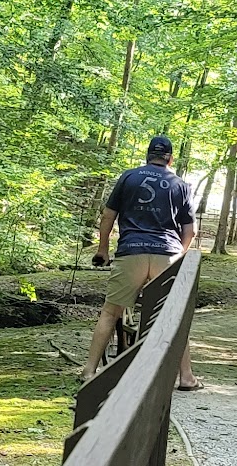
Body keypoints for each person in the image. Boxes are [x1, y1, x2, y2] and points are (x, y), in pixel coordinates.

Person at [83, 134, 204, 388]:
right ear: (170, 158)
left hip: (132, 251)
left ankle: (89, 372)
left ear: (148, 156)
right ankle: (186, 377)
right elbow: (190, 231)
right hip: (166, 254)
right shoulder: (180, 184)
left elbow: (107, 217)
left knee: (110, 311)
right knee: (173, 318)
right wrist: (178, 258)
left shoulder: (129, 177)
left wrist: (103, 250)